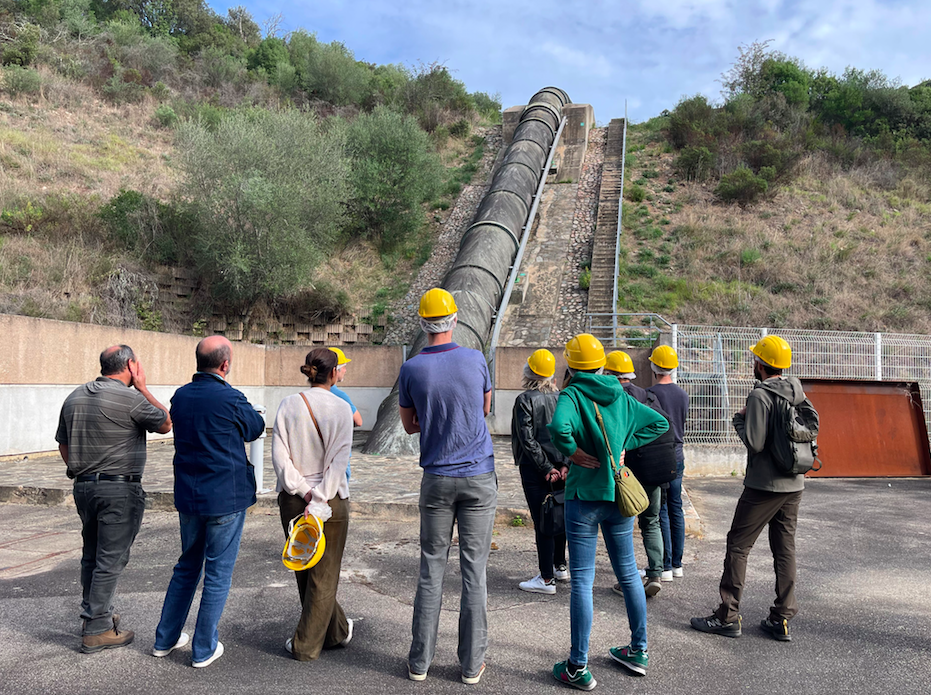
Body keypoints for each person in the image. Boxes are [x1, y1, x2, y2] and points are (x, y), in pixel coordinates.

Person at [548, 335, 668, 690]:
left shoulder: (572, 393)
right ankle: (638, 650)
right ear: (601, 365)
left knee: (582, 580)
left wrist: (572, 452)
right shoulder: (620, 393)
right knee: (629, 573)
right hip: (619, 496)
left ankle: (577, 666)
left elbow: (558, 428)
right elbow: (660, 424)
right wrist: (621, 447)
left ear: (570, 365)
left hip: (584, 496)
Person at [399, 288, 497, 685]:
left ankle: (419, 663)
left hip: (436, 478)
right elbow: (485, 408)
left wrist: (433, 419)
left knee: (430, 570)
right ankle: (471, 667)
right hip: (477, 476)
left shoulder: (411, 368)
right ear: (454, 320)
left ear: (423, 324)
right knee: (475, 573)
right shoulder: (474, 359)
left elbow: (409, 424)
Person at [152, 336, 266, 667]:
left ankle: (165, 639)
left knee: (187, 566)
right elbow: (255, 428)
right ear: (225, 364)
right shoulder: (231, 397)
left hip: (189, 496)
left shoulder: (180, 397)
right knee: (217, 571)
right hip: (226, 498)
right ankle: (203, 648)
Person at [55, 344, 172, 653]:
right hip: (119, 490)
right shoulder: (131, 398)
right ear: (131, 365)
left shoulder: (75, 396)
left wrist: (80, 470)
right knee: (110, 560)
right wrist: (144, 387)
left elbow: (63, 445)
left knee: (91, 555)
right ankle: (97, 629)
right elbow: (165, 423)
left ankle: (95, 613)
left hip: (84, 487)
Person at [691, 335, 806, 642]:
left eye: (755, 359)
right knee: (785, 549)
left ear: (760, 364)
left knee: (738, 545)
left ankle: (727, 616)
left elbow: (754, 442)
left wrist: (739, 420)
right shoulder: (796, 391)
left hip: (763, 486)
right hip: (794, 484)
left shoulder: (759, 396)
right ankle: (781, 618)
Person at [272, 348, 354, 660]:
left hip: (293, 499)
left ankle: (336, 631)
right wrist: (319, 497)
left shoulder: (288, 405)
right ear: (334, 373)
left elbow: (280, 458)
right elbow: (338, 462)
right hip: (331, 499)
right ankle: (306, 646)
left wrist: (303, 492)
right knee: (325, 574)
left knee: (305, 570)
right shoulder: (341, 409)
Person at [605, 351, 670, 599]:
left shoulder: (615, 398)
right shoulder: (647, 395)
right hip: (653, 469)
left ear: (610, 374)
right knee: (650, 521)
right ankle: (655, 573)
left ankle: (627, 580)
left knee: (621, 525)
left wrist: (624, 446)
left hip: (627, 472)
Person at [512, 349, 570, 595]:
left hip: (536, 470)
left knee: (543, 520)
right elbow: (569, 431)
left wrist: (546, 468)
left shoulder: (525, 400)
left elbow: (527, 439)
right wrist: (565, 463)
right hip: (562, 468)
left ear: (529, 372)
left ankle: (546, 579)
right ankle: (560, 566)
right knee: (558, 515)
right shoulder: (562, 397)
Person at [647, 345, 689, 582]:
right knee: (676, 508)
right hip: (679, 456)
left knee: (660, 508)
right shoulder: (683, 394)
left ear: (653, 366)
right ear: (674, 367)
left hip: (659, 457)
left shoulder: (649, 394)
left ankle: (663, 565)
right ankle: (677, 564)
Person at [329, 347, 363, 480]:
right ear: (335, 370)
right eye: (343, 367)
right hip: (338, 456)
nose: (345, 370)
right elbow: (359, 421)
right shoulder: (339, 395)